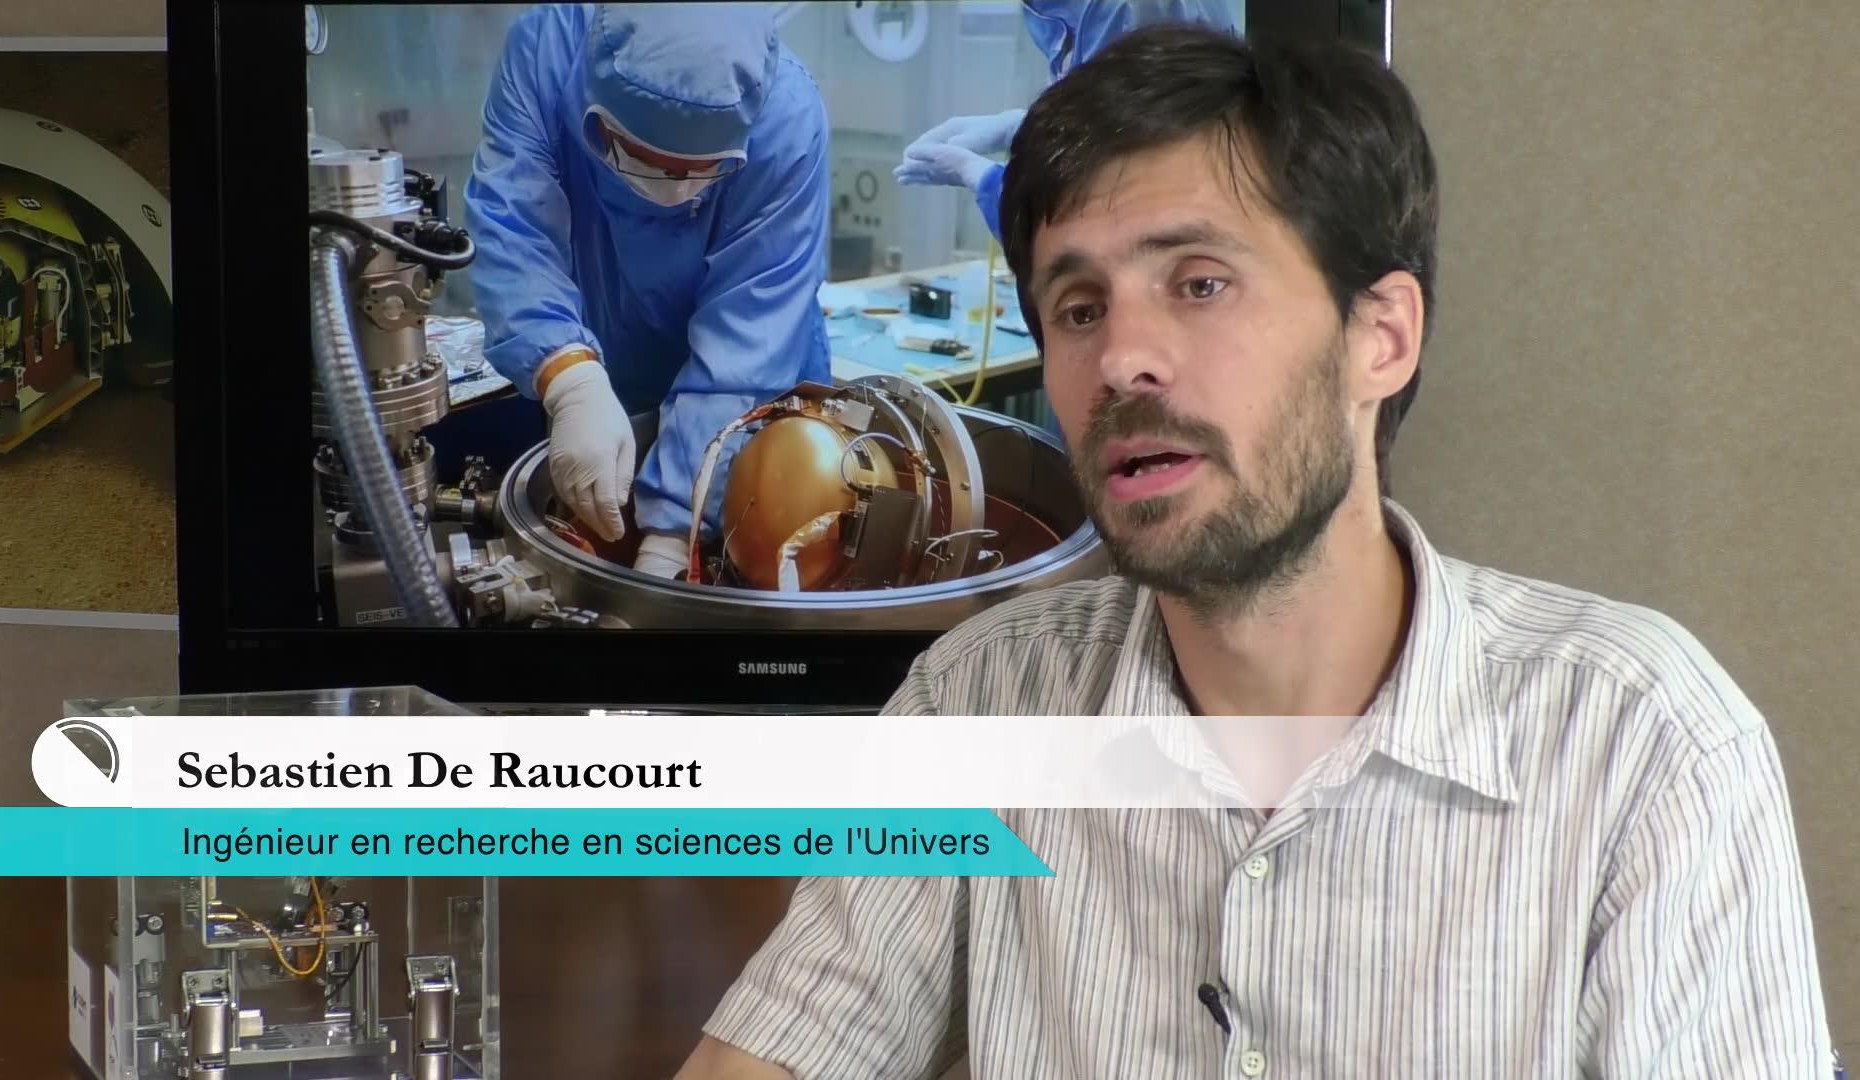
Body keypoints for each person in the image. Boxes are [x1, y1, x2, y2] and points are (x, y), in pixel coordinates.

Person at [676, 26, 1832, 1080]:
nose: (1122, 358)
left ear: (1381, 338)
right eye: (1078, 307)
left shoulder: (1641, 745)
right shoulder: (981, 703)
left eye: (1200, 284)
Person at [463, 3, 832, 579]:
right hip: (598, 368)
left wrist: (672, 538)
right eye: (639, 158)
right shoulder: (548, 53)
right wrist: (568, 376)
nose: (672, 191)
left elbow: (751, 331)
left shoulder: (787, 119)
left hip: (748, 399)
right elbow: (514, 227)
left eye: (701, 169)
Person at [894, 0, 1244, 242]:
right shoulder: (1070, 9)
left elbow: (1106, 220)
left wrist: (991, 186)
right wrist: (1030, 128)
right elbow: (1113, 118)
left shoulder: (1125, 9)